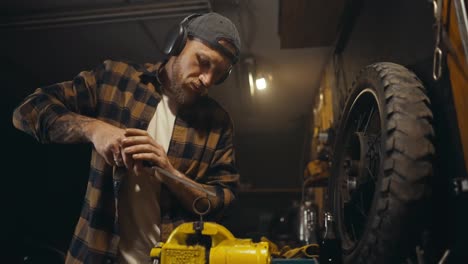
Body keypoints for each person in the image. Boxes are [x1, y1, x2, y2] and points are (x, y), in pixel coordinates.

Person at [12, 12, 241, 264]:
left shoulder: (218, 122)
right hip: (94, 256)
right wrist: (94, 129)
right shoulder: (115, 78)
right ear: (177, 43)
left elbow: (224, 200)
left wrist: (170, 174)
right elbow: (27, 111)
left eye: (218, 74)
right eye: (203, 61)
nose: (207, 79)